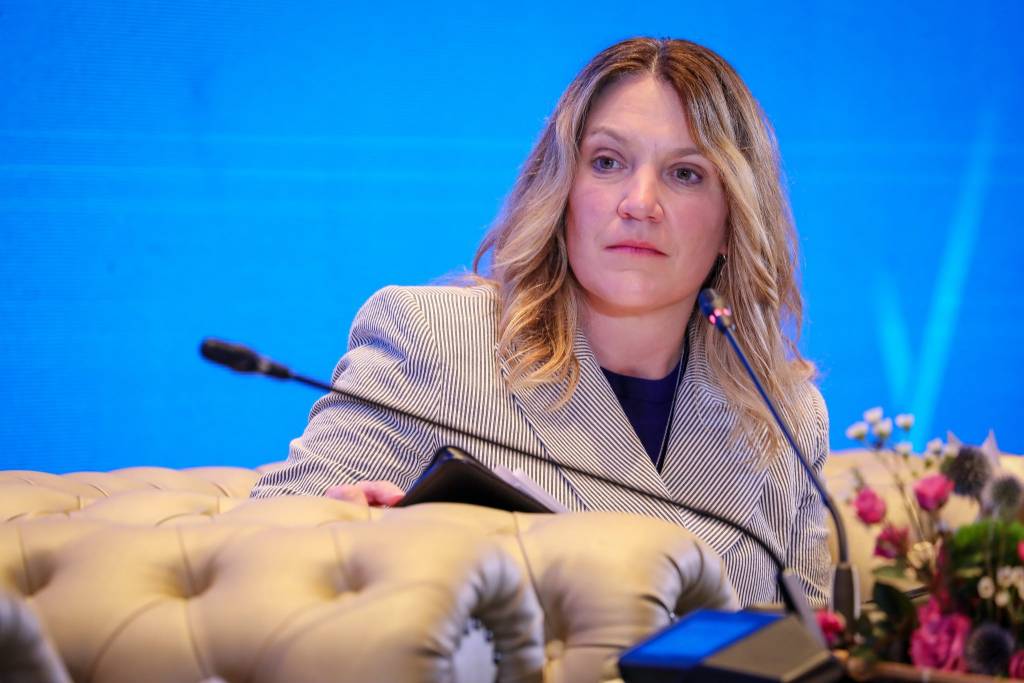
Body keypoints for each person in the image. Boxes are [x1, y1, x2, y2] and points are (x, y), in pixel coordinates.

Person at [251, 37, 831, 608]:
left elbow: (818, 641)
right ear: (562, 190)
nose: (639, 202)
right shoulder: (433, 339)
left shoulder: (785, 417)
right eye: (607, 162)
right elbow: (266, 543)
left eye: (685, 173)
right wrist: (351, 534)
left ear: (733, 219)